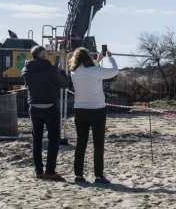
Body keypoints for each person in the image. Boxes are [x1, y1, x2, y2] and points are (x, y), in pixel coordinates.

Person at [69, 47, 118, 184]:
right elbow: (113, 71)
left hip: (80, 109)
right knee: (98, 144)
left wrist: (98, 61)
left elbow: (87, 71)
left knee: (81, 143)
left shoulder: (74, 72)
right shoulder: (95, 71)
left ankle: (78, 174)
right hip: (97, 109)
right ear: (87, 58)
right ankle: (98, 175)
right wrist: (109, 57)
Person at [22, 45, 70, 181]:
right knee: (53, 139)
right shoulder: (52, 70)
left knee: (36, 139)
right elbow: (64, 84)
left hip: (34, 106)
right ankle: (50, 171)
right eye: (47, 54)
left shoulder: (25, 70)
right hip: (49, 106)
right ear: (43, 56)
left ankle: (38, 171)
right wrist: (61, 71)